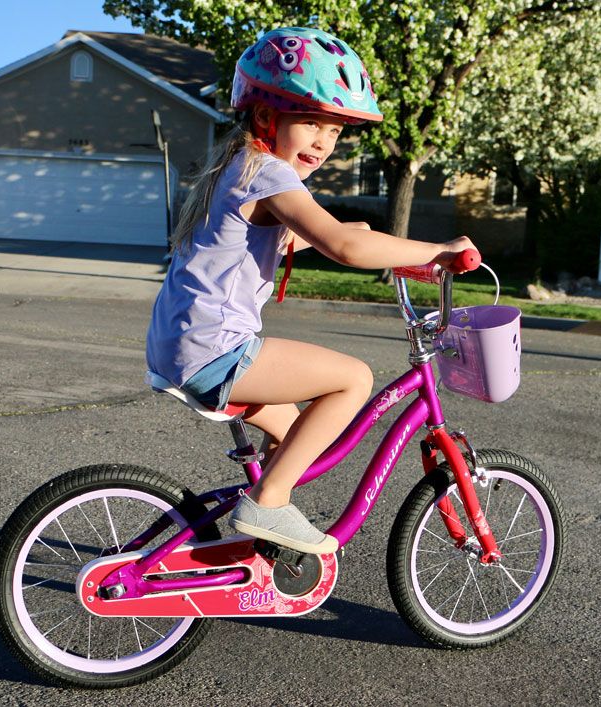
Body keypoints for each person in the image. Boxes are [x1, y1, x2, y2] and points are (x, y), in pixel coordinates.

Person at [145, 27, 477, 555]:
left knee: (294, 435)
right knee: (353, 378)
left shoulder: (238, 168)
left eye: (335, 130)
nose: (324, 141)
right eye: (311, 122)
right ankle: (268, 502)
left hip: (180, 346)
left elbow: (289, 236)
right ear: (265, 118)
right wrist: (435, 251)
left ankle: (256, 547)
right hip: (215, 349)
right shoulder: (267, 172)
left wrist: (357, 237)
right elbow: (343, 248)